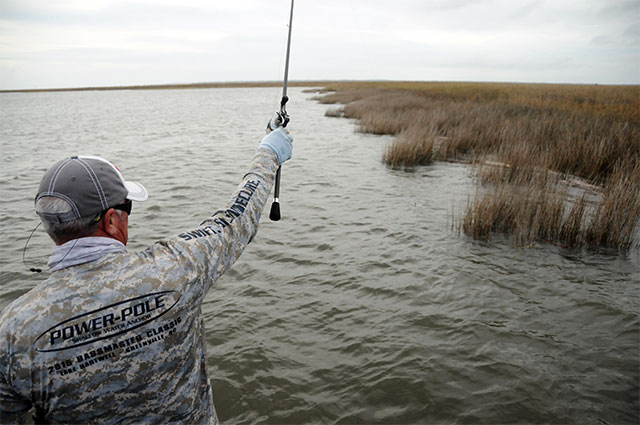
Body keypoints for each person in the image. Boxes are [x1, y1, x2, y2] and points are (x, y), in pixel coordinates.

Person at [0, 125, 293, 424]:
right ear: (112, 221)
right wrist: (268, 154)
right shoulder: (178, 268)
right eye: (127, 207)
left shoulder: (12, 332)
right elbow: (236, 218)